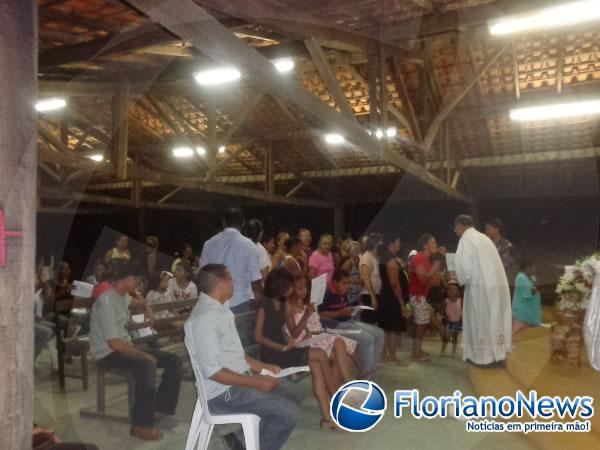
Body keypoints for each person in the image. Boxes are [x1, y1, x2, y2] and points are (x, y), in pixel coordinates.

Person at [184, 264, 301, 450]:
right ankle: (245, 445)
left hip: (237, 381)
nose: (234, 283)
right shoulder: (205, 319)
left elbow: (236, 355)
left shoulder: (222, 309)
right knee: (288, 413)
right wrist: (256, 382)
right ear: (221, 284)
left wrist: (264, 367)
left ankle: (240, 442)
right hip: (223, 394)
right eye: (230, 279)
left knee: (293, 395)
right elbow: (213, 372)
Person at [89, 261, 182, 440]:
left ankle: (160, 407)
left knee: (173, 361)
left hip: (122, 347)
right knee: (146, 364)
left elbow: (134, 309)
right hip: (107, 354)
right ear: (129, 279)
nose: (139, 286)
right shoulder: (107, 301)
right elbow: (114, 343)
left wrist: (145, 311)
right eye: (138, 282)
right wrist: (143, 354)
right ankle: (141, 424)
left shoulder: (122, 296)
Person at [256, 268, 338, 429]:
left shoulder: (281, 303)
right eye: (289, 286)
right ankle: (337, 398)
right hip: (273, 354)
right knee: (321, 355)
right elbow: (258, 337)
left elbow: (280, 330)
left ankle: (327, 418)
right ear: (278, 286)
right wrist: (282, 347)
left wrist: (290, 341)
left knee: (317, 365)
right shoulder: (263, 305)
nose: (292, 289)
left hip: (286, 348)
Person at [454, 215, 512, 365]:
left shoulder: (466, 240)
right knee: (494, 320)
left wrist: (456, 275)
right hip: (495, 287)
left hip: (479, 290)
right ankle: (497, 355)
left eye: (456, 228)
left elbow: (465, 270)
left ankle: (482, 357)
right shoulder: (484, 238)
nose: (455, 231)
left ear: (461, 226)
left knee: (480, 320)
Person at [285, 274, 361, 382]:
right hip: (304, 341)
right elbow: (295, 333)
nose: (304, 290)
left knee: (341, 351)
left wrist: (320, 329)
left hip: (314, 336)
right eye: (300, 288)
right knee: (339, 349)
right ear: (291, 289)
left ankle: (341, 388)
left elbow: (314, 323)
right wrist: (307, 315)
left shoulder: (302, 302)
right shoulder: (289, 306)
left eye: (305, 287)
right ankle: (348, 386)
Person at [319, 269, 384, 377]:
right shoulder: (327, 293)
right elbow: (320, 314)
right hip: (335, 326)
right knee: (367, 338)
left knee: (380, 333)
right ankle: (365, 371)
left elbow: (344, 310)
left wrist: (353, 310)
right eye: (344, 283)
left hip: (348, 322)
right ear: (334, 282)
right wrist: (340, 313)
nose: (347, 286)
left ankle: (372, 367)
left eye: (348, 283)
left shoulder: (342, 292)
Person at [200, 207, 263, 314]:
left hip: (214, 305)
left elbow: (203, 277)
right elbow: (256, 282)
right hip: (239, 303)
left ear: (224, 222)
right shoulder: (249, 246)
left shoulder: (208, 244)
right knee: (240, 331)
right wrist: (261, 306)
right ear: (242, 223)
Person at [409, 234, 442, 362]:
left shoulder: (425, 259)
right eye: (433, 243)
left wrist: (434, 279)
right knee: (420, 325)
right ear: (425, 245)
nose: (436, 245)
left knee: (422, 324)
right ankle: (416, 353)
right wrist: (434, 270)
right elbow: (422, 280)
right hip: (418, 296)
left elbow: (426, 280)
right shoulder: (419, 258)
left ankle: (417, 350)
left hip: (421, 295)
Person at [377, 234, 408, 365]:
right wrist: (401, 304)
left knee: (386, 328)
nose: (399, 245)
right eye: (397, 242)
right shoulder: (391, 261)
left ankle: (384, 356)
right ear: (391, 245)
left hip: (386, 298)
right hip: (391, 299)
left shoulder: (387, 259)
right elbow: (394, 284)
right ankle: (392, 357)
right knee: (392, 329)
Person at [512, 255, 542, 335]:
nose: (535, 269)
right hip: (522, 314)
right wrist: (536, 287)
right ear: (528, 267)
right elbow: (528, 293)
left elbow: (536, 287)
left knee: (532, 336)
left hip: (532, 312)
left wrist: (536, 287)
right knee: (517, 335)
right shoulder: (521, 277)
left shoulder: (532, 277)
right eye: (534, 267)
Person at [359, 233, 381, 324]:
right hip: (368, 294)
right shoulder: (366, 258)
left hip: (375, 293)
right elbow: (366, 279)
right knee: (369, 322)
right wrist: (373, 297)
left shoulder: (373, 257)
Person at [441, 279, 463, 356]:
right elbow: (442, 310)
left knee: (455, 337)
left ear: (458, 291)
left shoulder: (460, 300)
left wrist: (462, 317)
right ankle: (443, 350)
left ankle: (454, 351)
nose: (451, 291)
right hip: (448, 322)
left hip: (457, 322)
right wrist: (444, 316)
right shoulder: (446, 301)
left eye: (454, 289)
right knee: (446, 337)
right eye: (449, 289)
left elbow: (463, 310)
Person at [339, 240, 362, 306]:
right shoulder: (348, 262)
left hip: (356, 295)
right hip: (349, 296)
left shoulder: (358, 260)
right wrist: (356, 281)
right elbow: (341, 278)